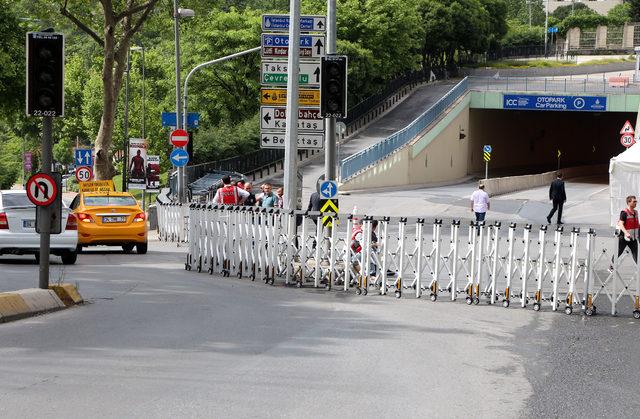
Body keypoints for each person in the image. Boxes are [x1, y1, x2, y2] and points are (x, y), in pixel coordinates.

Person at [617, 195, 639, 263]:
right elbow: (620, 224)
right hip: (624, 237)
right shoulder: (624, 213)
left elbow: (636, 224)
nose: (636, 203)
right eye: (634, 201)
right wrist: (626, 233)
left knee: (636, 255)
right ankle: (611, 266)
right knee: (618, 252)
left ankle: (638, 270)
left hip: (633, 238)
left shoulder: (636, 212)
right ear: (629, 202)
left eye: (636, 201)